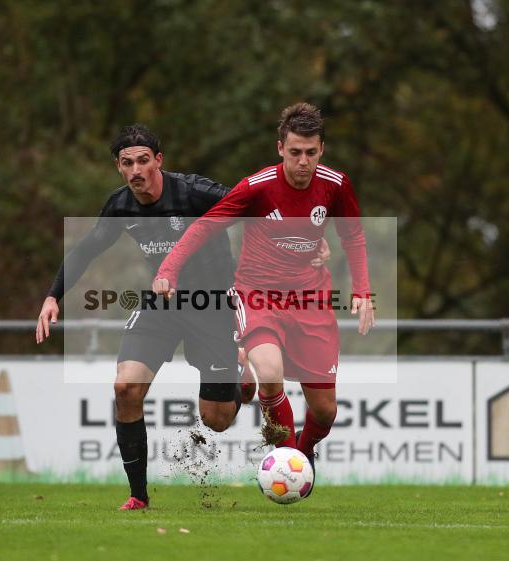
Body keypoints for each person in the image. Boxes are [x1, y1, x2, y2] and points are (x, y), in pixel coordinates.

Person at [36, 124, 329, 510]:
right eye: (127, 163)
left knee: (217, 419)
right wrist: (53, 296)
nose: (136, 170)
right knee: (125, 387)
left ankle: (239, 373)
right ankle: (138, 496)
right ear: (119, 167)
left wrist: (309, 239)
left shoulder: (193, 191)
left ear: (159, 161)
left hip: (213, 304)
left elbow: (256, 207)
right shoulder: (120, 205)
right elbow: (87, 249)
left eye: (144, 160)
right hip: (163, 301)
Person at [153, 103, 374, 496]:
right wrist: (169, 268)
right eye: (294, 153)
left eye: (310, 152)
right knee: (269, 373)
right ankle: (286, 466)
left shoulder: (336, 185)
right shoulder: (257, 187)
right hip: (258, 295)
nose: (302, 162)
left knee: (325, 411)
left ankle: (301, 460)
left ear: (321, 149)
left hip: (310, 300)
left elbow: (353, 237)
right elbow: (205, 226)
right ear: (280, 148)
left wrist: (362, 292)